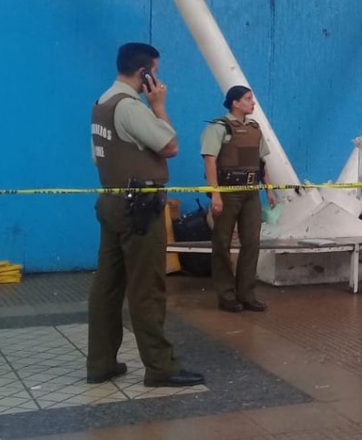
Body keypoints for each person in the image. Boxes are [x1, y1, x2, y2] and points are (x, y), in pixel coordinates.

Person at [88, 42, 204, 388]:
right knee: (147, 288)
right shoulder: (131, 107)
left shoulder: (102, 104)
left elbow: (98, 158)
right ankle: (160, 367)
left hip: (110, 200)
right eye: (156, 71)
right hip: (139, 207)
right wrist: (159, 105)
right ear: (145, 73)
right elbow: (170, 146)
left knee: (108, 286)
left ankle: (101, 362)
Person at [200, 86, 276, 313]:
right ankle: (226, 295)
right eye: (248, 99)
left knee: (252, 241)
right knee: (222, 242)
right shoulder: (219, 127)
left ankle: (247, 293)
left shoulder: (255, 128)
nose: (253, 103)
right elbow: (209, 160)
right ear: (235, 103)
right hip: (228, 191)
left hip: (252, 191)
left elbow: (262, 162)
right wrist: (216, 193)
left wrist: (269, 190)